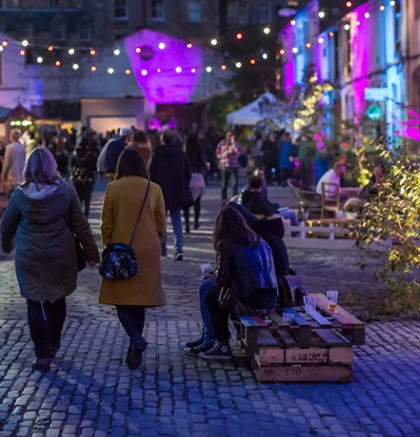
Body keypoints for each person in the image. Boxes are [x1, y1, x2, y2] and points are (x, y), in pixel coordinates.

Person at [1, 148, 100, 372]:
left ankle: (42, 354)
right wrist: (92, 253)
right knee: (57, 298)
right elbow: (80, 225)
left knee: (34, 302)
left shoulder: (20, 195)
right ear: (52, 166)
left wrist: (6, 245)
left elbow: (7, 224)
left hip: (29, 255)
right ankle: (54, 342)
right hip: (60, 255)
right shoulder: (65, 192)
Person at [182, 202, 288, 356]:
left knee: (211, 296)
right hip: (271, 300)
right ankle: (209, 339)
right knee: (213, 292)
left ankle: (220, 343)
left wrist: (214, 273)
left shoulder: (227, 243)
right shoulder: (258, 239)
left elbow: (223, 281)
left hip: (252, 303)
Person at [99, 148, 166, 370]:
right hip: (149, 249)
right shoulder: (153, 188)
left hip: (122, 247)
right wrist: (153, 241)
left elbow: (106, 222)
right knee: (140, 300)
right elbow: (160, 223)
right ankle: (134, 344)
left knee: (122, 298)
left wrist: (108, 243)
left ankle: (136, 339)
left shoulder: (113, 188)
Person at [149, 129, 193, 260]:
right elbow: (188, 173)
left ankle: (162, 248)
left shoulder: (156, 153)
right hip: (176, 191)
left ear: (162, 139)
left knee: (161, 221)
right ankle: (179, 249)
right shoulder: (180, 153)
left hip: (160, 191)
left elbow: (151, 172)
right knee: (176, 220)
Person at [184, 132, 208, 233]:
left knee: (186, 202)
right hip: (197, 176)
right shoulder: (199, 150)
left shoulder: (185, 152)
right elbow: (203, 164)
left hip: (187, 177)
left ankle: (187, 223)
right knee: (197, 202)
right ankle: (196, 222)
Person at [69, 136, 99, 217]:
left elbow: (70, 167)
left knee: (78, 202)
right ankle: (85, 220)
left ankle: (78, 220)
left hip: (76, 180)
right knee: (87, 202)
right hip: (88, 180)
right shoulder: (90, 154)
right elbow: (95, 167)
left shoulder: (74, 154)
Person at [216, 130, 241, 202]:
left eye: (231, 135)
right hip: (224, 165)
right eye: (228, 135)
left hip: (233, 165)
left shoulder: (236, 143)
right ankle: (224, 200)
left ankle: (235, 200)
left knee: (234, 184)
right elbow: (217, 154)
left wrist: (233, 143)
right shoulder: (222, 143)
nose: (229, 137)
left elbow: (238, 152)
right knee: (224, 184)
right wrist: (222, 155)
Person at [1, 129, 27, 196]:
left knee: (11, 195)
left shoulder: (10, 147)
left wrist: (3, 175)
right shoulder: (23, 147)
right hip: (21, 174)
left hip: (12, 175)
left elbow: (7, 163)